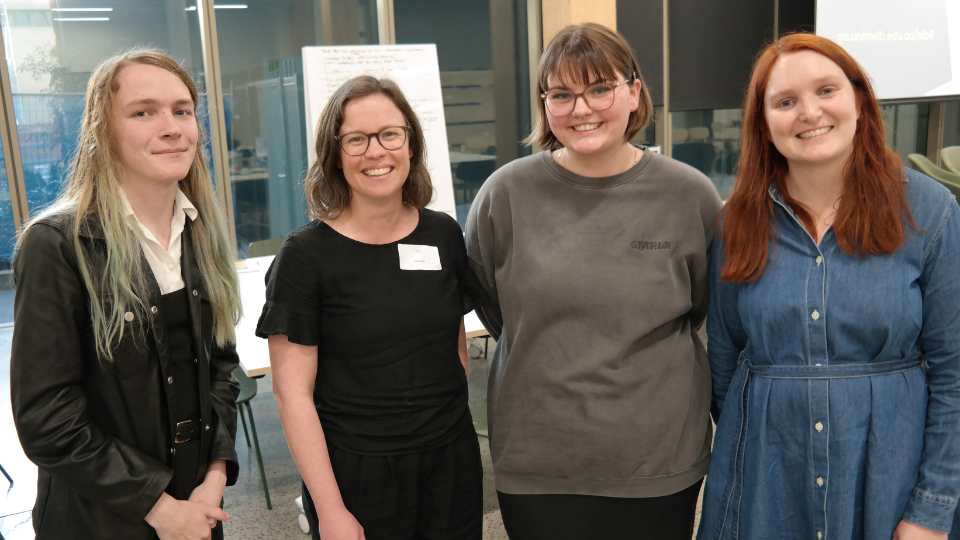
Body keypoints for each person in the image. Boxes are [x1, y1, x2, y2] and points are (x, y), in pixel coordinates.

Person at [465, 23, 722, 540]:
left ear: (633, 91)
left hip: (656, 461)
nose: (582, 110)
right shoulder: (505, 195)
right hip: (538, 461)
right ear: (545, 104)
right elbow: (494, 308)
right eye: (562, 94)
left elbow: (704, 307)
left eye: (599, 88)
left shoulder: (688, 196)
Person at [698, 33, 960, 540]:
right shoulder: (736, 224)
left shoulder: (930, 213)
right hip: (767, 485)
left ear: (859, 100)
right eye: (785, 101)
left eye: (826, 91)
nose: (809, 113)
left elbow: (955, 376)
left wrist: (930, 509)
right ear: (763, 122)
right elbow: (725, 363)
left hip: (890, 482)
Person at [10, 50, 242, 540]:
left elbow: (222, 367)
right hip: (102, 521)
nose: (172, 126)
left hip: (196, 509)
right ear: (103, 132)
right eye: (143, 112)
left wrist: (214, 480)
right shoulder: (58, 245)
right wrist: (159, 508)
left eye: (182, 110)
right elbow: (48, 420)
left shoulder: (199, 232)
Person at [256, 75, 483, 540]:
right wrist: (331, 509)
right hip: (359, 473)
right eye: (355, 139)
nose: (375, 152)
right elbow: (292, 396)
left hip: (449, 461)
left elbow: (453, 344)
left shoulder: (442, 233)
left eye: (389, 135)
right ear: (335, 155)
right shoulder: (305, 257)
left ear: (411, 144)